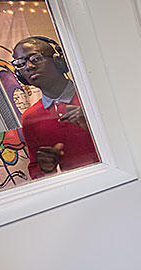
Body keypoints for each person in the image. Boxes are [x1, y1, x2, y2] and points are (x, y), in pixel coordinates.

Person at [12, 37, 99, 179]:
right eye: (20, 64)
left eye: (35, 58)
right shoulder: (30, 117)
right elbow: (35, 171)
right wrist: (45, 168)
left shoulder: (93, 96)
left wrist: (92, 123)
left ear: (58, 61)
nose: (28, 66)